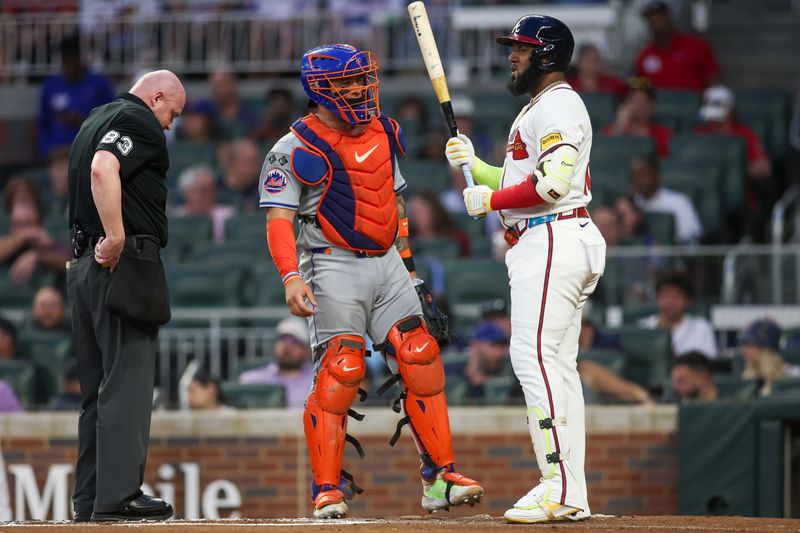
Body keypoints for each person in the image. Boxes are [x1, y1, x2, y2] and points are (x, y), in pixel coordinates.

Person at [260, 43, 483, 519]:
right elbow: (278, 220)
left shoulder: (382, 130)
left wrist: (409, 265)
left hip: (387, 262)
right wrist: (290, 276)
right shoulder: (292, 147)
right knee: (342, 369)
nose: (360, 89)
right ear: (320, 89)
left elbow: (393, 204)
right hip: (330, 262)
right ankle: (326, 488)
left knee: (420, 353)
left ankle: (439, 477)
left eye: (363, 80)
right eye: (347, 83)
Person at [444, 15, 606, 523]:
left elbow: (552, 186)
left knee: (533, 359)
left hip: (554, 236)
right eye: (512, 46)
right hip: (554, 236)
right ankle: (571, 492)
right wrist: (477, 165)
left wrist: (488, 197)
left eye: (522, 47)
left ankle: (556, 485)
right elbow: (529, 179)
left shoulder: (558, 103)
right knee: (556, 367)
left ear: (548, 54)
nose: (512, 55)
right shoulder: (543, 107)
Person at [66, 69, 184, 522]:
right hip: (121, 263)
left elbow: (89, 167)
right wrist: (115, 236)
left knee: (95, 391)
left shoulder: (93, 119)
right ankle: (118, 498)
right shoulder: (139, 122)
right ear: (156, 98)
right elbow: (103, 168)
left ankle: (91, 500)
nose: (170, 125)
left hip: (81, 268)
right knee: (127, 381)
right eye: (171, 113)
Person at [694, 85, 774, 240]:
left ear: (730, 110)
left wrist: (734, 171)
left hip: (738, 203)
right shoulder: (699, 133)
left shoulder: (744, 134)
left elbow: (765, 167)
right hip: (705, 200)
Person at [37, 33, 115, 159]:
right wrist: (48, 150)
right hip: (59, 152)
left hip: (89, 150)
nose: (70, 63)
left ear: (79, 58)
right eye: (66, 59)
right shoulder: (51, 85)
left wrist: (83, 120)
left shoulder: (99, 83)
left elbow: (111, 119)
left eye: (73, 58)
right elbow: (44, 123)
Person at [633, 1, 719, 91]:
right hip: (658, 103)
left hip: (693, 102)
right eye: (651, 18)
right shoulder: (645, 55)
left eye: (659, 16)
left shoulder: (696, 45)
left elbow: (712, 77)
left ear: (668, 16)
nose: (655, 21)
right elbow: (639, 85)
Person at [0, 177, 71, 284]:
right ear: (10, 212)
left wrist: (38, 256)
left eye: (29, 204)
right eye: (20, 204)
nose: (25, 213)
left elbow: (70, 264)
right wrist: (26, 235)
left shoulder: (49, 238)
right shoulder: (5, 241)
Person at [238, 317, 315, 409]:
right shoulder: (250, 381)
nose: (287, 346)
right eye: (282, 339)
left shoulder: (317, 380)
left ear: (306, 350)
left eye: (295, 341)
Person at [639, 270, 718, 358]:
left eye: (676, 296)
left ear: (688, 300)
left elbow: (708, 365)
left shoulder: (702, 329)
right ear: (657, 298)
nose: (670, 302)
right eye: (665, 295)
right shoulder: (643, 327)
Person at [630, 156, 703, 244]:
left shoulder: (679, 202)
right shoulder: (629, 204)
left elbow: (691, 238)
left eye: (644, 174)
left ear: (657, 175)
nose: (640, 180)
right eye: (636, 176)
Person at [602, 78, 673, 158]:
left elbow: (663, 158)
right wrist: (620, 126)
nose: (637, 106)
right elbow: (605, 154)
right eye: (633, 100)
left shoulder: (662, 134)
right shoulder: (610, 130)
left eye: (642, 101)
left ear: (652, 106)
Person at [171, 165, 235, 243]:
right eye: (203, 190)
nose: (209, 194)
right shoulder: (175, 217)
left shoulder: (228, 215)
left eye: (212, 189)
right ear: (187, 192)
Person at [741, 319, 800, 396]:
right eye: (744, 344)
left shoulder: (794, 375)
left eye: (750, 344)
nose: (744, 349)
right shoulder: (749, 376)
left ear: (766, 349)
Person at [407, 192, 471, 257]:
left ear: (434, 211)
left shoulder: (457, 237)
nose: (416, 217)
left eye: (419, 212)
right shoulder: (407, 240)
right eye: (413, 212)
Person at [220, 138, 262, 211]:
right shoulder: (214, 189)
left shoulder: (262, 189)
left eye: (256, 162)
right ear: (233, 163)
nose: (255, 168)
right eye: (249, 162)